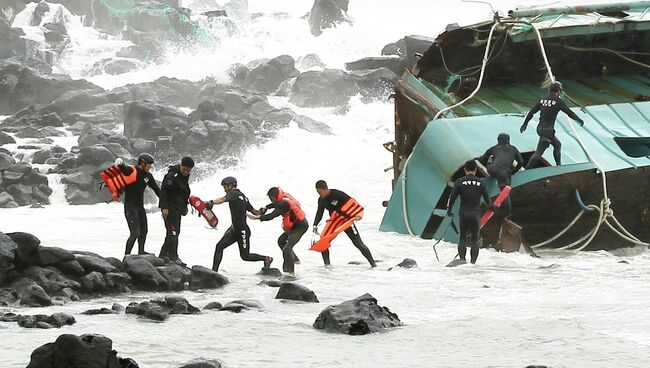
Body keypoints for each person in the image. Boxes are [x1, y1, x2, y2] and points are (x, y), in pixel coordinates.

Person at [207, 176, 273, 272]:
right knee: (219, 246)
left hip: (242, 231)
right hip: (234, 230)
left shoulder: (233, 193)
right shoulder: (244, 197)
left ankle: (266, 258)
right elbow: (255, 212)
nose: (224, 189)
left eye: (225, 186)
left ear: (231, 186)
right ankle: (214, 272)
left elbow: (222, 200)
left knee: (245, 256)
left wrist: (211, 202)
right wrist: (261, 211)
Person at [520, 81, 585, 169]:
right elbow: (570, 113)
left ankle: (558, 166)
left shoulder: (542, 100)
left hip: (540, 129)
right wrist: (579, 120)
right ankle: (527, 170)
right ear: (558, 91)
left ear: (549, 90)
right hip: (548, 131)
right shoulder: (558, 101)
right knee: (539, 152)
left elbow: (531, 112)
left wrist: (525, 124)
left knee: (557, 144)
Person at [313, 180, 376, 267]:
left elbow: (353, 204)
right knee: (324, 240)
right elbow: (319, 213)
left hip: (347, 221)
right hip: (335, 222)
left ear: (325, 189)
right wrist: (315, 225)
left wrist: (357, 215)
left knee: (358, 243)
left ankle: (373, 263)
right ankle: (327, 266)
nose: (319, 194)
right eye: (317, 192)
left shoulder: (337, 194)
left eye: (320, 192)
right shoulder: (321, 200)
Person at [249, 187, 308, 276]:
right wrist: (267, 207)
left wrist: (257, 218)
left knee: (287, 248)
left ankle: (291, 273)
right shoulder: (283, 198)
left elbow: (272, 216)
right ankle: (296, 260)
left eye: (271, 198)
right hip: (294, 225)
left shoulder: (284, 204)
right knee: (281, 241)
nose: (271, 200)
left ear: (275, 196)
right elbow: (275, 205)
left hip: (300, 227)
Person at [446, 160, 493, 264]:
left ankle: (462, 261)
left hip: (463, 213)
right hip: (475, 214)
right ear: (476, 169)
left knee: (462, 238)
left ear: (465, 169)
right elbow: (487, 201)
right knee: (474, 240)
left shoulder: (459, 182)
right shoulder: (480, 183)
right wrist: (492, 207)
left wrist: (449, 210)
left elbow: (452, 198)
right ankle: (472, 264)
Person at [114, 153, 160, 256]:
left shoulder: (148, 176)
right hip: (130, 207)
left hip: (140, 207)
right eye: (149, 165)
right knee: (135, 233)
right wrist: (120, 163)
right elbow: (124, 169)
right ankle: (126, 256)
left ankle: (141, 251)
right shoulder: (132, 171)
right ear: (142, 164)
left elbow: (157, 190)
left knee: (144, 231)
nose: (151, 167)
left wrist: (166, 201)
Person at [158, 156, 194, 266]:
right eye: (185, 169)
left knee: (175, 232)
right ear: (180, 165)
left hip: (177, 209)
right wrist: (164, 208)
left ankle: (163, 254)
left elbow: (183, 192)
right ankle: (173, 256)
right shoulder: (171, 176)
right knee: (172, 232)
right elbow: (163, 192)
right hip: (169, 209)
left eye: (189, 170)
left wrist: (185, 206)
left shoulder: (185, 176)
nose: (186, 172)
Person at [477, 133, 523, 215]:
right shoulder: (513, 148)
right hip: (504, 172)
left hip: (492, 169)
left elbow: (483, 158)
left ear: (498, 140)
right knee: (505, 193)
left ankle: (494, 176)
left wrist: (476, 158)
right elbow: (521, 162)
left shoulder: (494, 148)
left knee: (491, 158)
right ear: (508, 140)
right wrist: (513, 172)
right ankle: (508, 215)